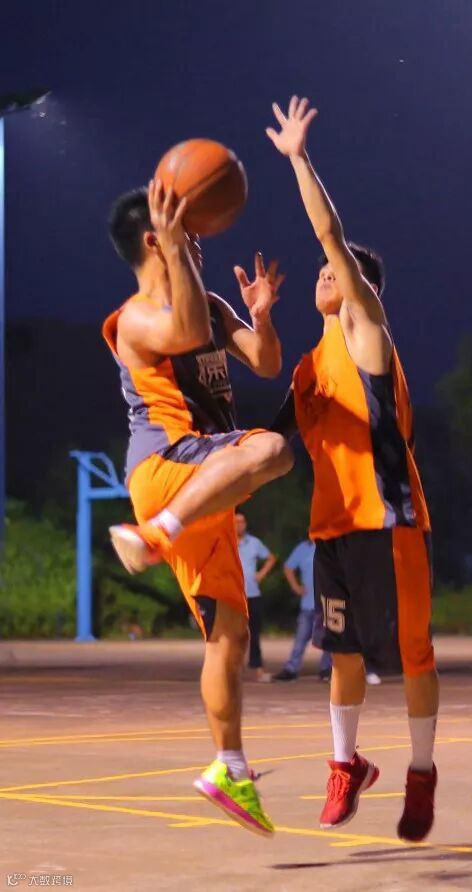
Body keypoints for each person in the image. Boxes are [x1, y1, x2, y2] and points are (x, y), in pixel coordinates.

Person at [267, 96, 439, 842]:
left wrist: (299, 159)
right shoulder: (309, 366)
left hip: (388, 517)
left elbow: (330, 235)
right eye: (321, 273)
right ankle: (346, 765)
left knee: (411, 655)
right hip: (333, 530)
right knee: (340, 654)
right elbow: (271, 443)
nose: (322, 276)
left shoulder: (366, 331)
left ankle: (421, 774)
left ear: (358, 286)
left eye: (331, 273)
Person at [103, 179, 293, 836]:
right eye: (187, 231)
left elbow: (266, 362)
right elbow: (181, 330)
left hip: (205, 481)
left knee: (230, 634)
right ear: (155, 240)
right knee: (273, 449)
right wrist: (176, 245)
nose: (201, 240)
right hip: (169, 466)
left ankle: (228, 769)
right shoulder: (136, 317)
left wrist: (260, 316)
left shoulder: (210, 305)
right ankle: (155, 533)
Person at [273, 538, 332, 682]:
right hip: (308, 604)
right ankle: (291, 669)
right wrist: (295, 587)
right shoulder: (303, 548)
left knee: (329, 639)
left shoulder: (331, 545)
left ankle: (326, 669)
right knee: (300, 638)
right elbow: (288, 567)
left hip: (327, 603)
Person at [235, 512, 276, 682]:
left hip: (252, 593)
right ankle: (233, 669)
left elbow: (271, 558)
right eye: (236, 522)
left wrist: (261, 574)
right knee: (234, 635)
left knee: (254, 634)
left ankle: (257, 668)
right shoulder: (226, 542)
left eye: (242, 521)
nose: (239, 525)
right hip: (233, 596)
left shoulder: (254, 542)